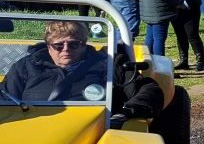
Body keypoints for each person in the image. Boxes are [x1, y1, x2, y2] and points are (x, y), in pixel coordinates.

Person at [1, 20, 163, 116]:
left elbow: (148, 89)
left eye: (73, 44)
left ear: (84, 45)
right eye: (58, 45)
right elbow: (6, 97)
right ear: (48, 46)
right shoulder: (27, 66)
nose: (66, 49)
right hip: (32, 126)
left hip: (91, 133)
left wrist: (129, 111)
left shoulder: (106, 64)